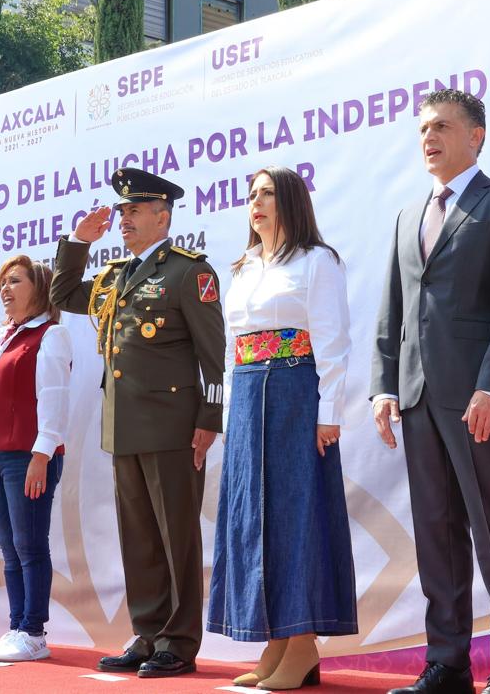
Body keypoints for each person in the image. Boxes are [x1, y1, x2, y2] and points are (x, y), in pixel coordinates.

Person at [372, 89, 490, 694]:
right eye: (422, 129)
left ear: (477, 136)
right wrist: (383, 388)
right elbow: (393, 311)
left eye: (442, 126)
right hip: (417, 401)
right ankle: (446, 664)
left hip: (478, 402)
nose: (429, 138)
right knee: (436, 534)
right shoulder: (406, 215)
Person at [51, 168, 226, 679]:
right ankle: (148, 633)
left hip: (174, 424)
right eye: (122, 211)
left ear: (162, 216)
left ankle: (179, 639)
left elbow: (212, 354)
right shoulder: (113, 276)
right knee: (139, 537)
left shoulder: (189, 272)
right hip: (123, 424)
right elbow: (63, 296)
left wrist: (209, 417)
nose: (124, 218)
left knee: (177, 535)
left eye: (133, 211)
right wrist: (79, 241)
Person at [208, 166, 356, 691]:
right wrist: (230, 417)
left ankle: (302, 642)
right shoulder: (243, 266)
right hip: (249, 397)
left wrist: (329, 413)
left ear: (290, 200)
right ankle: (277, 636)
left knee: (296, 515)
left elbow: (334, 342)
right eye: (251, 194)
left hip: (296, 392)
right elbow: (231, 349)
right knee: (255, 518)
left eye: (267, 193)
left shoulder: (318, 261)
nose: (256, 202)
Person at [0, 255, 71, 663]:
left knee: (30, 546)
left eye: (15, 281)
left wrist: (41, 455)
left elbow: (54, 401)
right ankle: (17, 627)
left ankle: (34, 632)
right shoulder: (2, 336)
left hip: (28, 457)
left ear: (40, 288)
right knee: (10, 549)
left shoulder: (52, 335)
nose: (5, 290)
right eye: (3, 283)